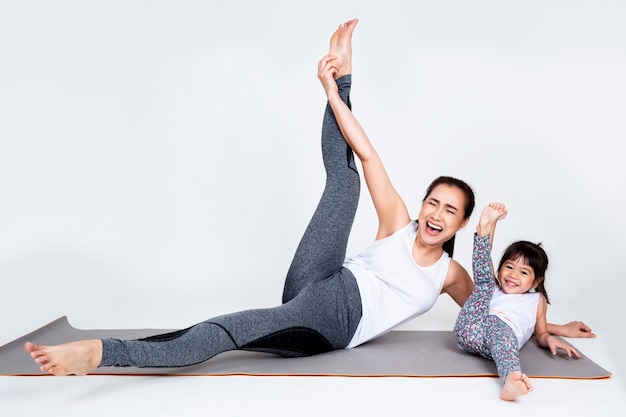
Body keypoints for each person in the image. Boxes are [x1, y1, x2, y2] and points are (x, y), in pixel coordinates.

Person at [24, 19, 594, 376]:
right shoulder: (397, 222)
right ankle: (343, 73)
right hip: (318, 279)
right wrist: (334, 86)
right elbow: (367, 154)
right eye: (433, 203)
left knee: (227, 330)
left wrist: (551, 326)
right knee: (347, 177)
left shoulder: (449, 275)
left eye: (450, 211)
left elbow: (495, 301)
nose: (435, 215)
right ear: (421, 205)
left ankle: (101, 353)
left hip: (333, 321)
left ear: (462, 224)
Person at [453, 202, 584, 401]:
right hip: (470, 328)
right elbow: (484, 264)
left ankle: (511, 381)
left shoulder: (536, 300)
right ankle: (483, 229)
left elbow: (539, 333)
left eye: (524, 272)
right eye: (509, 267)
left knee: (503, 339)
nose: (513, 275)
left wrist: (549, 338)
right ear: (500, 267)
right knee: (484, 283)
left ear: (537, 280)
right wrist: (492, 225)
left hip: (501, 338)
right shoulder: (494, 287)